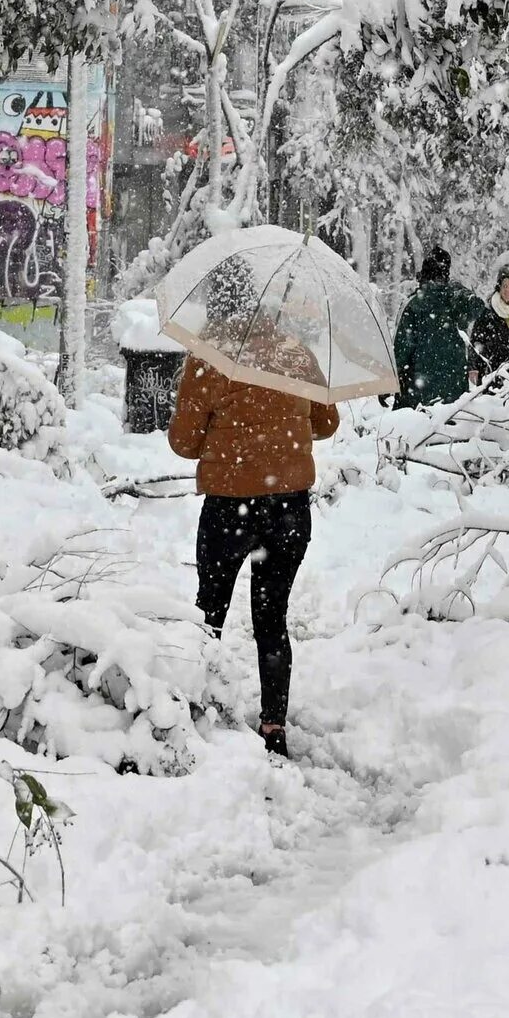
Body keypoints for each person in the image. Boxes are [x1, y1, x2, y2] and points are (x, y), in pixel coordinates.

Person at [168, 301, 340, 759]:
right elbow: (326, 423)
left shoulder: (209, 357)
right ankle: (273, 725)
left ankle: (198, 709)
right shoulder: (294, 353)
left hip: (229, 507)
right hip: (288, 508)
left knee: (209, 613)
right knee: (271, 617)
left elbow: (183, 443)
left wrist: (227, 433)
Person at [390, 246, 484, 409]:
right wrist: (459, 289)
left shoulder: (414, 305)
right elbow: (478, 306)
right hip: (452, 395)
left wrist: (390, 382)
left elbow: (401, 350)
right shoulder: (454, 301)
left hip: (417, 394)